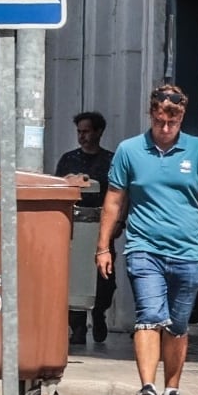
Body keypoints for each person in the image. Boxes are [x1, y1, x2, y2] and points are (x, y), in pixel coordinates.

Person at [97, 85, 198, 395]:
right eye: (159, 122)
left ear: (181, 118)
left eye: (171, 123)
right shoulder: (129, 151)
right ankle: (148, 390)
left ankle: (171, 392)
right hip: (144, 248)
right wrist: (103, 247)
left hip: (187, 252)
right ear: (151, 116)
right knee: (150, 317)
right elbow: (113, 201)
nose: (165, 129)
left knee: (178, 326)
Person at [55, 111, 115, 346]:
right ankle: (77, 325)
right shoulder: (69, 159)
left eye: (87, 131)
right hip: (75, 225)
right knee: (76, 275)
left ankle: (99, 312)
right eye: (79, 132)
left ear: (99, 132)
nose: (82, 136)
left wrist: (118, 223)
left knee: (105, 277)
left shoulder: (111, 160)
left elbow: (119, 193)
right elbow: (57, 188)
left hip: (102, 225)